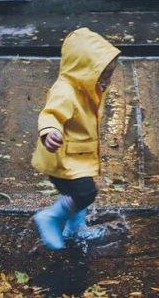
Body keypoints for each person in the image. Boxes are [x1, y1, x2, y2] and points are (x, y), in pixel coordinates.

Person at [31, 27, 120, 249]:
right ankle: (50, 217)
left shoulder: (87, 88)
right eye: (104, 75)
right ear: (84, 70)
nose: (107, 81)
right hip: (62, 157)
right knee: (86, 193)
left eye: (110, 74)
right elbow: (51, 114)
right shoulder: (66, 90)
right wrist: (50, 131)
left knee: (75, 197)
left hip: (75, 156)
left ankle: (73, 231)